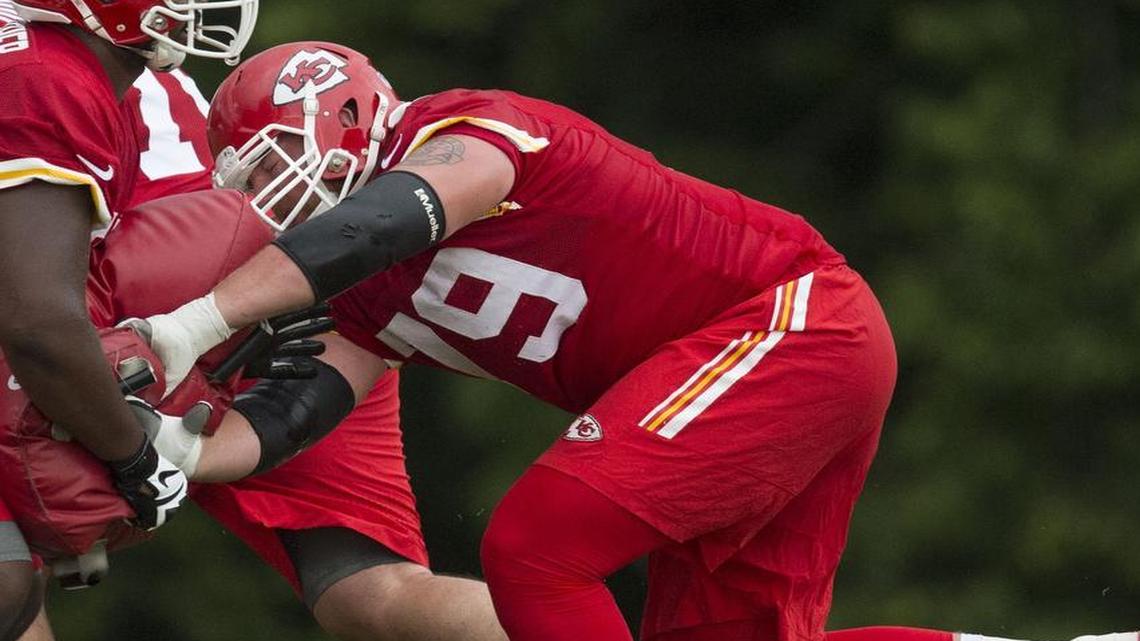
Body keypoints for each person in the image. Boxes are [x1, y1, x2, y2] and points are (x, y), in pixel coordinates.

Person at [141, 43, 1136, 641]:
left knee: (534, 545)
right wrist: (180, 445)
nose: (269, 201)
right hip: (758, 366)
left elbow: (393, 217)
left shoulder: (462, 132)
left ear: (349, 116)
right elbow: (295, 414)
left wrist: (193, 322)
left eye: (276, 166)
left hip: (789, 320)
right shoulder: (367, 294)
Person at [121, 55, 507, 641]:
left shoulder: (67, 64)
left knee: (15, 552)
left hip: (203, 299)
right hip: (310, 299)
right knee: (374, 595)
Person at [0, 0, 256, 638]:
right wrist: (133, 456)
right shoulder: (50, 77)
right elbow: (36, 320)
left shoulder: (55, 62)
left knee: (15, 581)